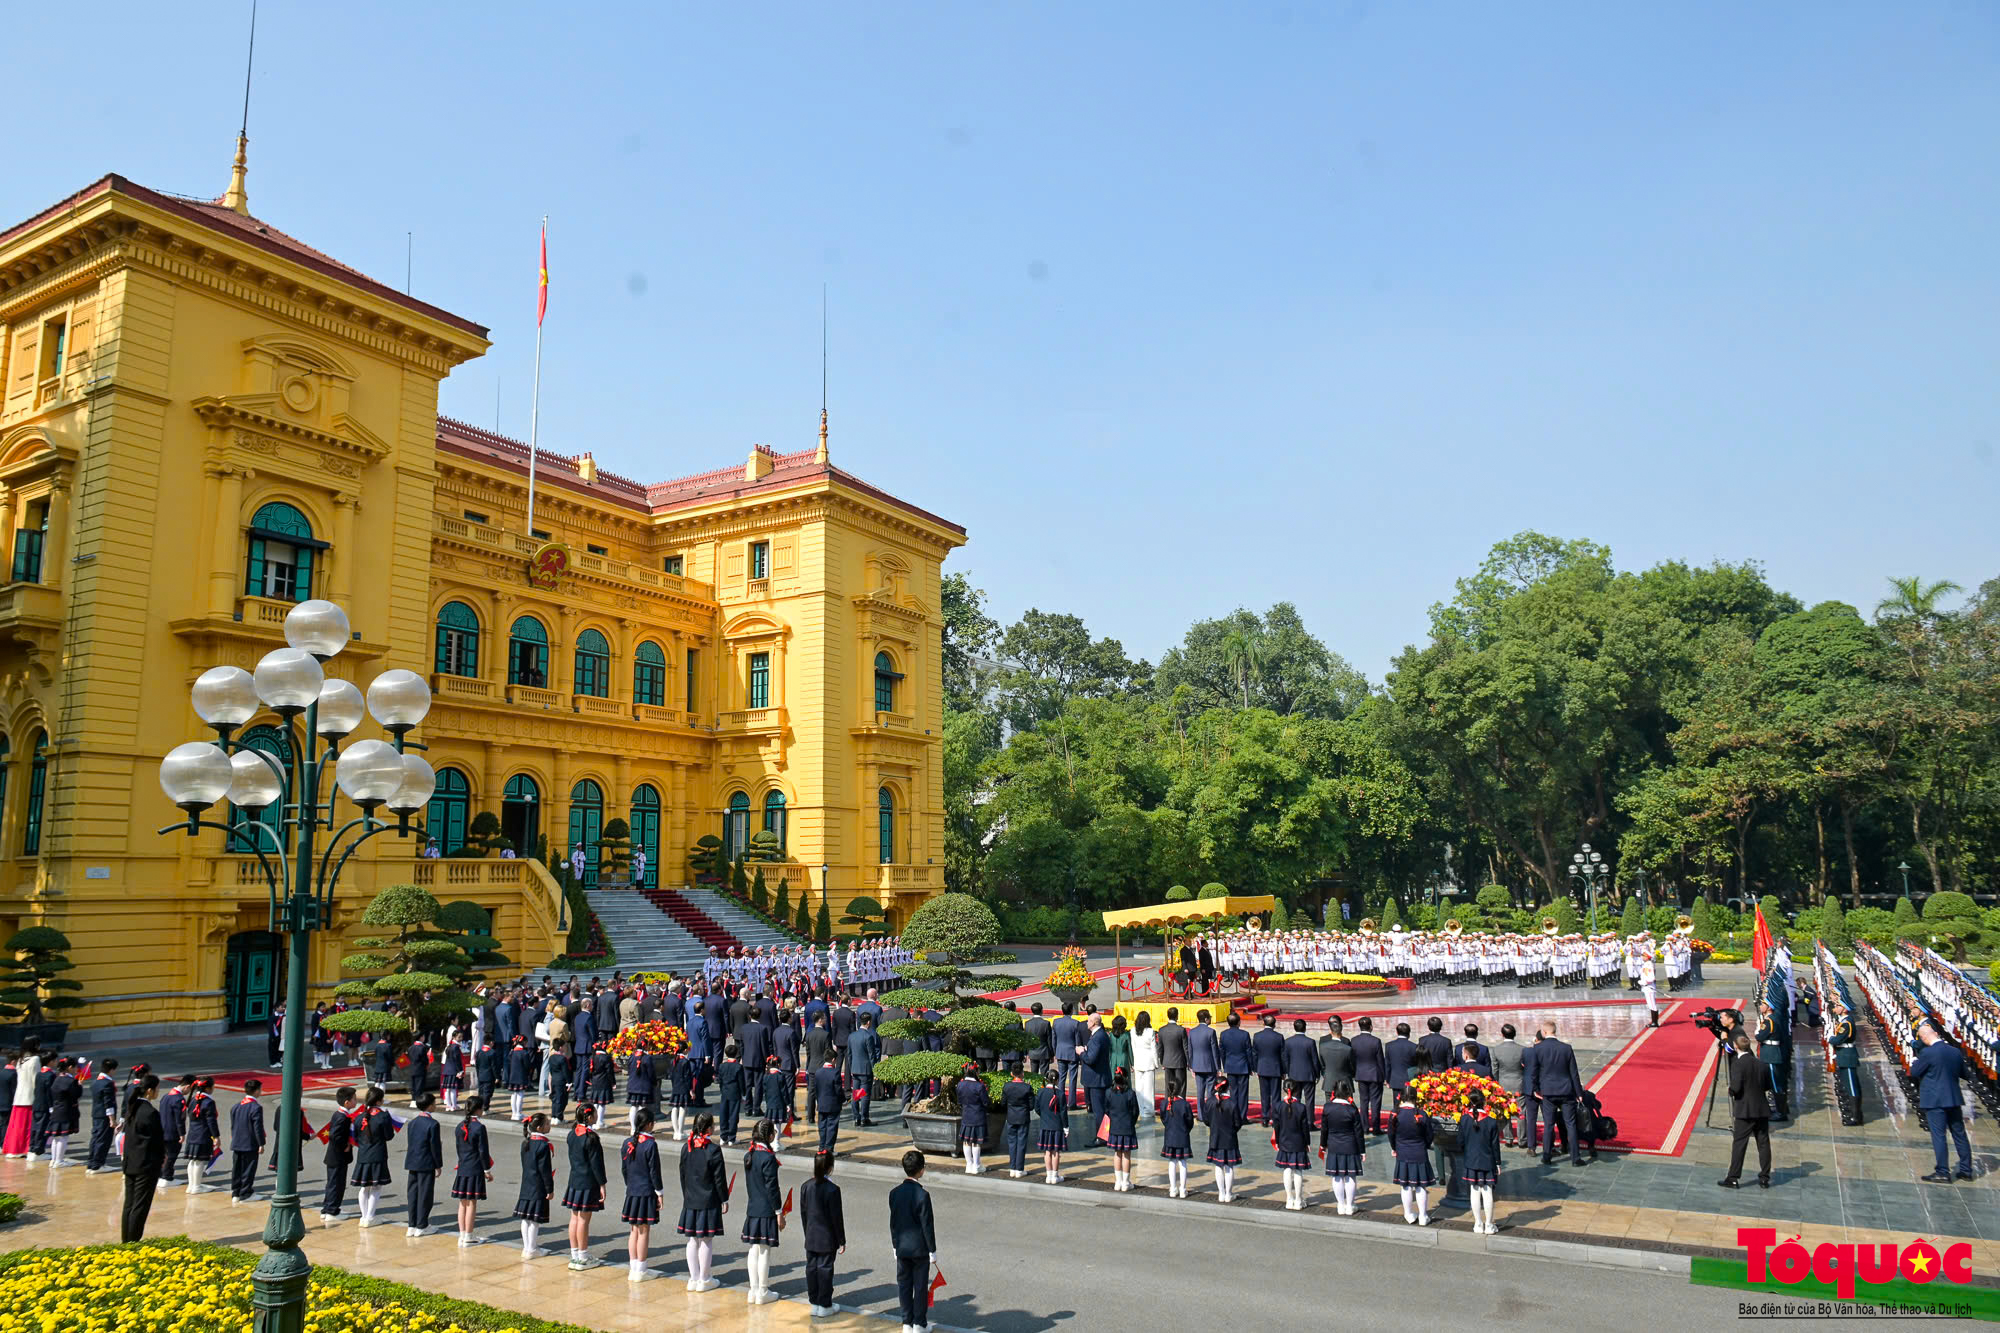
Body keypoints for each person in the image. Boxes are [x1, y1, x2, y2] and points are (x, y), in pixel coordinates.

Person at [1912, 1021, 1975, 1183]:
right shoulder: (1954, 1051)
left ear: (1925, 1038)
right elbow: (1965, 1074)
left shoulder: (1928, 1053)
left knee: (1939, 1136)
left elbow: (1915, 1071)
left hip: (1934, 1100)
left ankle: (1943, 1171)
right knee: (1959, 1134)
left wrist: (1915, 1060)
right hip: (1953, 1098)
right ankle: (1966, 1170)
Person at [677, 1112, 729, 1293]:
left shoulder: (687, 1147)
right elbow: (719, 1179)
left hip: (691, 1198)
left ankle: (693, 1278)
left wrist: (687, 1194)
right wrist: (724, 1198)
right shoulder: (713, 1150)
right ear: (708, 1128)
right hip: (708, 1200)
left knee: (692, 1239)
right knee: (706, 1240)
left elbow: (682, 1174)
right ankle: (704, 1279)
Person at [889, 1150, 938, 1333]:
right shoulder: (923, 1195)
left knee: (904, 1285)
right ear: (922, 1170)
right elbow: (927, 1225)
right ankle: (920, 1323)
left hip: (901, 1246)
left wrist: (895, 1245)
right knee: (919, 1286)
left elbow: (893, 1222)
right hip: (919, 1249)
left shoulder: (894, 1193)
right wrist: (932, 1250)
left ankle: (906, 1322)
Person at [1530, 1021, 1591, 1165]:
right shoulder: (1566, 1048)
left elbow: (1533, 1072)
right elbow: (1574, 1073)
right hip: (1566, 1091)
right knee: (1571, 1124)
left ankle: (1546, 1156)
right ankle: (1575, 1158)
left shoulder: (1537, 1049)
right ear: (1554, 1031)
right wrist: (1579, 1092)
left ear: (1544, 1032)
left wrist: (1535, 1089)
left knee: (1548, 1125)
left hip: (1547, 1091)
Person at [1719, 1030, 1772, 1190]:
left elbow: (1736, 1087)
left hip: (1745, 1110)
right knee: (1763, 1143)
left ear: (1735, 1046)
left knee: (1739, 1143)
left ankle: (1733, 1177)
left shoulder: (1738, 1064)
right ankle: (1764, 1177)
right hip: (1761, 1108)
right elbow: (1768, 1086)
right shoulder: (1761, 1064)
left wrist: (1730, 1090)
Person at [740, 1118, 783, 1305]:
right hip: (766, 1210)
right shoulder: (768, 1158)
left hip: (752, 1208)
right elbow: (773, 1188)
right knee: (764, 1251)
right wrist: (779, 1211)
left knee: (753, 1249)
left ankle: (753, 1290)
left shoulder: (749, 1155)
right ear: (769, 1136)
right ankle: (763, 1291)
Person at [120, 1074, 164, 1243]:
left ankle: (126, 1240)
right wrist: (161, 1158)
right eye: (157, 1089)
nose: (158, 1092)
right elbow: (157, 1140)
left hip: (131, 1162)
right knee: (140, 1206)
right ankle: (133, 1241)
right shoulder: (150, 1113)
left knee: (129, 1204)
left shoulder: (133, 1107)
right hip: (146, 1165)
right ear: (150, 1091)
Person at [801, 1150, 846, 1318]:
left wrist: (807, 1232)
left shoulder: (806, 1186)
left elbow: (803, 1214)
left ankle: (814, 1302)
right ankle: (825, 1304)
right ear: (830, 1168)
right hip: (827, 1238)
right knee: (825, 1270)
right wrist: (841, 1239)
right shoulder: (833, 1189)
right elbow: (837, 1218)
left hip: (811, 1235)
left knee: (811, 1269)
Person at [563, 1104, 608, 1268]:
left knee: (574, 1217)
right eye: (595, 1113)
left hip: (574, 1179)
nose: (596, 1116)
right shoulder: (591, 1137)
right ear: (589, 1117)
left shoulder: (572, 1134)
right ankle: (583, 1256)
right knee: (583, 1219)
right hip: (588, 1181)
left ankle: (575, 1254)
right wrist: (602, 1184)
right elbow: (597, 1164)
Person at [622, 1108, 664, 1282]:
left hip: (632, 1190)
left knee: (633, 1230)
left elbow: (624, 1169)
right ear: (649, 1124)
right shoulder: (650, 1144)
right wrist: (659, 1192)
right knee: (644, 1231)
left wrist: (630, 1184)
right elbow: (655, 1171)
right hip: (646, 1192)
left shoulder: (627, 1142)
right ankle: (641, 1268)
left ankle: (633, 1268)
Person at [351, 1086, 398, 1227]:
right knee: (376, 1187)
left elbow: (356, 1138)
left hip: (363, 1155)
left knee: (364, 1187)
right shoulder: (383, 1116)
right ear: (378, 1101)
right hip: (378, 1155)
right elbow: (389, 1136)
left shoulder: (359, 1117)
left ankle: (364, 1216)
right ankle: (370, 1216)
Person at [1318, 1080, 1366, 1216]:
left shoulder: (1328, 1108)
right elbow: (1359, 1133)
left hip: (1334, 1145)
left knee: (1337, 1176)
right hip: (1350, 1146)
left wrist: (1322, 1145)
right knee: (1350, 1177)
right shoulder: (1352, 1109)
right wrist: (1362, 1150)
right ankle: (1350, 1205)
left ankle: (1340, 1204)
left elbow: (1324, 1129)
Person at [1459, 1089, 1505, 1234]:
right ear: (1484, 1102)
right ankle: (1489, 1225)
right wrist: (1498, 1162)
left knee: (1474, 1191)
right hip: (1487, 1161)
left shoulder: (1464, 1119)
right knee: (1487, 1192)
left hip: (1471, 1160)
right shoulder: (1491, 1121)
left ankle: (1478, 1223)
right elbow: (1495, 1145)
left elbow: (1460, 1141)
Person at [1389, 1087, 1436, 1225]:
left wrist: (1394, 1148)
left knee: (1406, 1186)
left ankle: (1408, 1214)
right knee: (1421, 1186)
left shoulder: (1395, 1114)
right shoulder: (1422, 1114)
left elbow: (1391, 1134)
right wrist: (1424, 1145)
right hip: (1419, 1152)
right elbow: (1429, 1135)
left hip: (1402, 1152)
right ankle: (1423, 1215)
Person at [452, 1096, 495, 1247]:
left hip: (462, 1166)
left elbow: (458, 1148)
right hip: (475, 1167)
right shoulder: (479, 1127)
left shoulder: (460, 1126)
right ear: (478, 1109)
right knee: (471, 1203)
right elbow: (483, 1151)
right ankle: (469, 1236)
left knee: (462, 1202)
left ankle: (462, 1234)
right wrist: (487, 1170)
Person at [513, 1112, 556, 1258]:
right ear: (540, 1127)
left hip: (526, 1184)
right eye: (547, 1124)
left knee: (526, 1218)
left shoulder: (526, 1142)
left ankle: (527, 1247)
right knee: (534, 1220)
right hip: (538, 1186)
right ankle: (532, 1249)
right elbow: (545, 1170)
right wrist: (549, 1189)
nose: (549, 1126)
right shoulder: (543, 1146)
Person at [404, 1093, 443, 1237]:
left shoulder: (413, 1122)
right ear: (430, 1105)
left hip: (413, 1161)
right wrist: (438, 1164)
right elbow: (435, 1147)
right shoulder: (433, 1124)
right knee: (425, 1194)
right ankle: (422, 1224)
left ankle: (412, 1224)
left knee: (413, 1193)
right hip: (426, 1163)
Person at [1271, 1081, 1313, 1211]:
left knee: (1287, 1171)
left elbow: (1276, 1126)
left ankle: (1289, 1199)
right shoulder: (1301, 1107)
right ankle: (1299, 1200)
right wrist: (1307, 1143)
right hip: (1298, 1142)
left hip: (1284, 1141)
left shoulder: (1278, 1106)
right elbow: (1305, 1128)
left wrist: (1277, 1140)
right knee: (1298, 1171)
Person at [319, 1085, 357, 1223]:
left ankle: (327, 1208)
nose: (356, 1101)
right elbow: (335, 1136)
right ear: (347, 1102)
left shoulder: (338, 1114)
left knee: (332, 1183)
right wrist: (345, 1145)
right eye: (354, 1099)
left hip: (334, 1156)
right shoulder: (343, 1117)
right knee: (337, 1184)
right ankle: (332, 1211)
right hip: (338, 1156)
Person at [1203, 1074, 1243, 1202]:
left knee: (1218, 1166)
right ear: (1228, 1088)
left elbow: (1206, 1120)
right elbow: (1237, 1123)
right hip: (1230, 1139)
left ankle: (1221, 1193)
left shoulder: (1209, 1102)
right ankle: (1228, 1194)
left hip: (1215, 1138)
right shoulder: (1232, 1103)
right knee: (1229, 1167)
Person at [1104, 1067, 1142, 1192]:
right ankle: (1126, 1182)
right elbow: (1135, 1112)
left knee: (1117, 1154)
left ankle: (1118, 1182)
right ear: (1125, 1078)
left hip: (1114, 1128)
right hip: (1127, 1128)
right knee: (1126, 1155)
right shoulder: (1130, 1093)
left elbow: (1107, 1110)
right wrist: (1131, 1122)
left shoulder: (1109, 1092)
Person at [1077, 1014, 1112, 1146]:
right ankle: (1104, 1135)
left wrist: (1081, 1052)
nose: (1087, 1023)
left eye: (1088, 1021)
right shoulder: (1100, 1035)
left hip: (1096, 1079)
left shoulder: (1098, 1037)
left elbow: (1091, 1059)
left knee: (1099, 1110)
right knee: (1101, 1109)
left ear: (1093, 1023)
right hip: (1099, 1077)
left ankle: (1101, 1137)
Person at [229, 1078, 266, 1202]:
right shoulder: (255, 1107)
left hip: (237, 1142)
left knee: (237, 1168)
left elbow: (233, 1125)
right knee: (248, 1169)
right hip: (250, 1143)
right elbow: (258, 1127)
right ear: (256, 1091)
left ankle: (236, 1192)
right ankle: (246, 1193)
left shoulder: (236, 1106)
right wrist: (261, 1143)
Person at [1491, 1024, 1527, 1147]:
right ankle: (1522, 1140)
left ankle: (1508, 1139)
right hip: (1519, 1083)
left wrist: (1496, 1085)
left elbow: (1495, 1070)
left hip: (1503, 1085)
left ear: (1502, 1034)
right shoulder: (1522, 1049)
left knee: (1505, 1112)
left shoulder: (1496, 1049)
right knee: (1521, 1113)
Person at [1158, 1088, 1196, 1198]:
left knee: (1172, 1162)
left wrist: (1169, 1127)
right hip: (1182, 1136)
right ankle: (1183, 1190)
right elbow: (1190, 1121)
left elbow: (1163, 1118)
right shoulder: (1184, 1104)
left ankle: (1173, 1189)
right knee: (1182, 1162)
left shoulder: (1165, 1103)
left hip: (1170, 1136)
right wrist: (1185, 1130)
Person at [1351, 1017, 1385, 1135]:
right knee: (1375, 1102)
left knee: (1363, 1102)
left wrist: (1355, 1072)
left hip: (1361, 1074)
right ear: (1371, 1027)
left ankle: (1364, 1127)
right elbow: (1380, 1060)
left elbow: (1353, 1060)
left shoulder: (1354, 1040)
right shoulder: (1376, 1041)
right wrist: (1383, 1076)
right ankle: (1376, 1128)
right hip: (1374, 1075)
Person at [86, 1057, 120, 1175]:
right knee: (103, 1140)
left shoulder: (96, 1082)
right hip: (104, 1116)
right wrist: (112, 1119)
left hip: (96, 1114)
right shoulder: (108, 1083)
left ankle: (91, 1163)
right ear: (111, 1070)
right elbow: (108, 1103)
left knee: (95, 1138)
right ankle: (98, 1164)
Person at [1217, 1013, 1253, 1125]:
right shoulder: (1244, 1034)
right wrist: (1251, 1067)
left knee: (1233, 1092)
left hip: (1230, 1066)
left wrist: (1224, 1064)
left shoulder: (1223, 1034)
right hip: (1243, 1067)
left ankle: (1234, 1115)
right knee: (1243, 1093)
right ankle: (1242, 1117)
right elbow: (1248, 1052)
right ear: (1239, 1022)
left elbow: (1222, 1052)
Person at [1000, 1065, 1034, 1178]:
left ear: (1011, 1073)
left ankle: (1012, 1168)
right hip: (1023, 1117)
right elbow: (1031, 1106)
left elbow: (1003, 1103)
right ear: (1022, 1073)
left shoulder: (1007, 1086)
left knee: (1012, 1143)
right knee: (1021, 1143)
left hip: (1011, 1117)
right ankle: (1019, 1168)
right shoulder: (1027, 1087)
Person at [954, 1062, 988, 1175]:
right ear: (976, 1072)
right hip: (978, 1115)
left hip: (966, 1114)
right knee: (976, 1142)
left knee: (966, 1141)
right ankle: (976, 1165)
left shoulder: (960, 1084)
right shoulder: (979, 1086)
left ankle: (969, 1164)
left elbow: (959, 1101)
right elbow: (985, 1102)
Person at [1036, 1073, 1068, 1185]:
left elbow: (1037, 1108)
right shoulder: (1060, 1094)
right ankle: (1055, 1175)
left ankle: (1048, 1175)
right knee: (1056, 1152)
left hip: (1045, 1126)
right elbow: (1064, 1113)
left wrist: (1044, 1116)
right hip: (1057, 1126)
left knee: (1047, 1152)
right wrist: (1066, 1127)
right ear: (1057, 1080)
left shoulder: (1041, 1092)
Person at [1188, 1009, 1220, 1109]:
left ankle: (1201, 1115)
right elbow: (1215, 1051)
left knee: (1200, 1092)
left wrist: (1191, 1066)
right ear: (1206, 1019)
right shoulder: (1211, 1032)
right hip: (1209, 1066)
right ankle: (1210, 1112)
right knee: (1210, 1092)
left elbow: (1190, 1050)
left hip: (1197, 1065)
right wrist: (1218, 1067)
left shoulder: (1192, 1032)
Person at [810, 1055, 842, 1154]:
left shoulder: (818, 1072)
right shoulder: (835, 1072)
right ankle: (829, 1148)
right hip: (833, 1105)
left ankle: (821, 1146)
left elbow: (815, 1089)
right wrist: (843, 1100)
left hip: (821, 1104)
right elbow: (838, 1090)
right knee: (832, 1127)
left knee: (822, 1126)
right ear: (833, 1059)